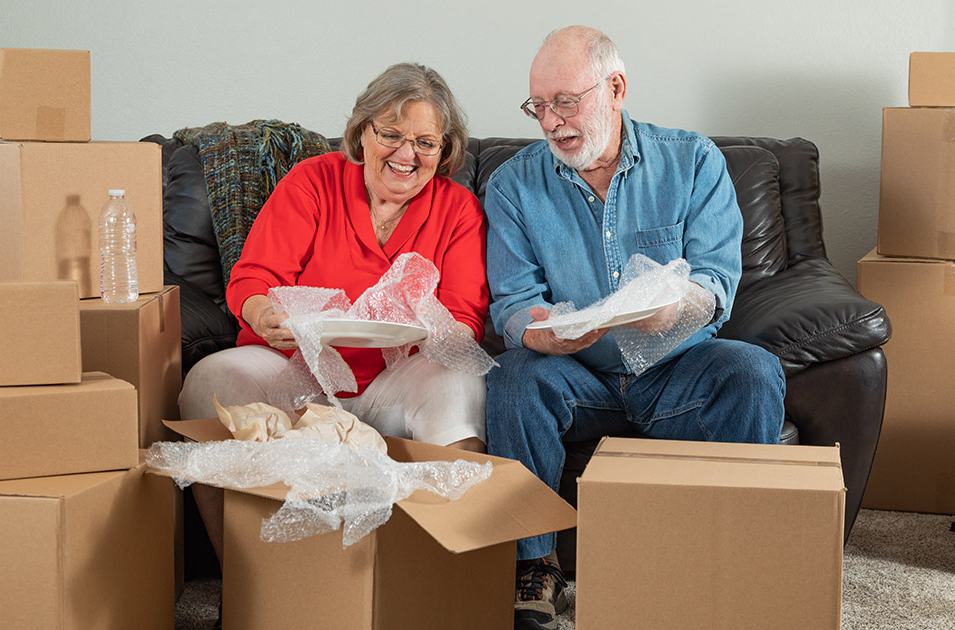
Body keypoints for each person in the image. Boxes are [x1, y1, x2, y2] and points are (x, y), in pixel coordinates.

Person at [484, 26, 786, 630]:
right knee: (515, 376)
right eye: (538, 106)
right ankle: (535, 566)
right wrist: (536, 331)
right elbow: (514, 300)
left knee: (754, 370)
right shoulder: (513, 184)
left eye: (565, 102)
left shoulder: (693, 160)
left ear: (615, 87)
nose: (550, 122)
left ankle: (733, 551)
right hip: (580, 376)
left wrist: (681, 307)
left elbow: (716, 283)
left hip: (679, 371)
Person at [178, 62, 489, 574]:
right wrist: (264, 314)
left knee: (460, 380)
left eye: (426, 143)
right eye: (391, 134)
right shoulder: (313, 182)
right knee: (208, 379)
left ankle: (438, 584)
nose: (407, 155)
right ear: (362, 132)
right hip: (302, 375)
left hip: (398, 381)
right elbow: (252, 279)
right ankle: (247, 585)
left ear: (446, 149)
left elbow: (464, 319)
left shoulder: (458, 210)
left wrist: (441, 328)